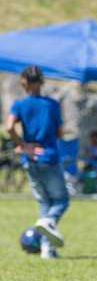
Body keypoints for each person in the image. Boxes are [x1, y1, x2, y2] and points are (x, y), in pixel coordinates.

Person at [5, 65, 69, 259]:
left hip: (30, 159)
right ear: (41, 82)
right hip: (49, 157)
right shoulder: (52, 105)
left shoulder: (19, 105)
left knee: (44, 202)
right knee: (61, 200)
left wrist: (24, 146)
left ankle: (46, 250)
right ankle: (49, 223)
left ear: (24, 82)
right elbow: (59, 133)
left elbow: (9, 127)